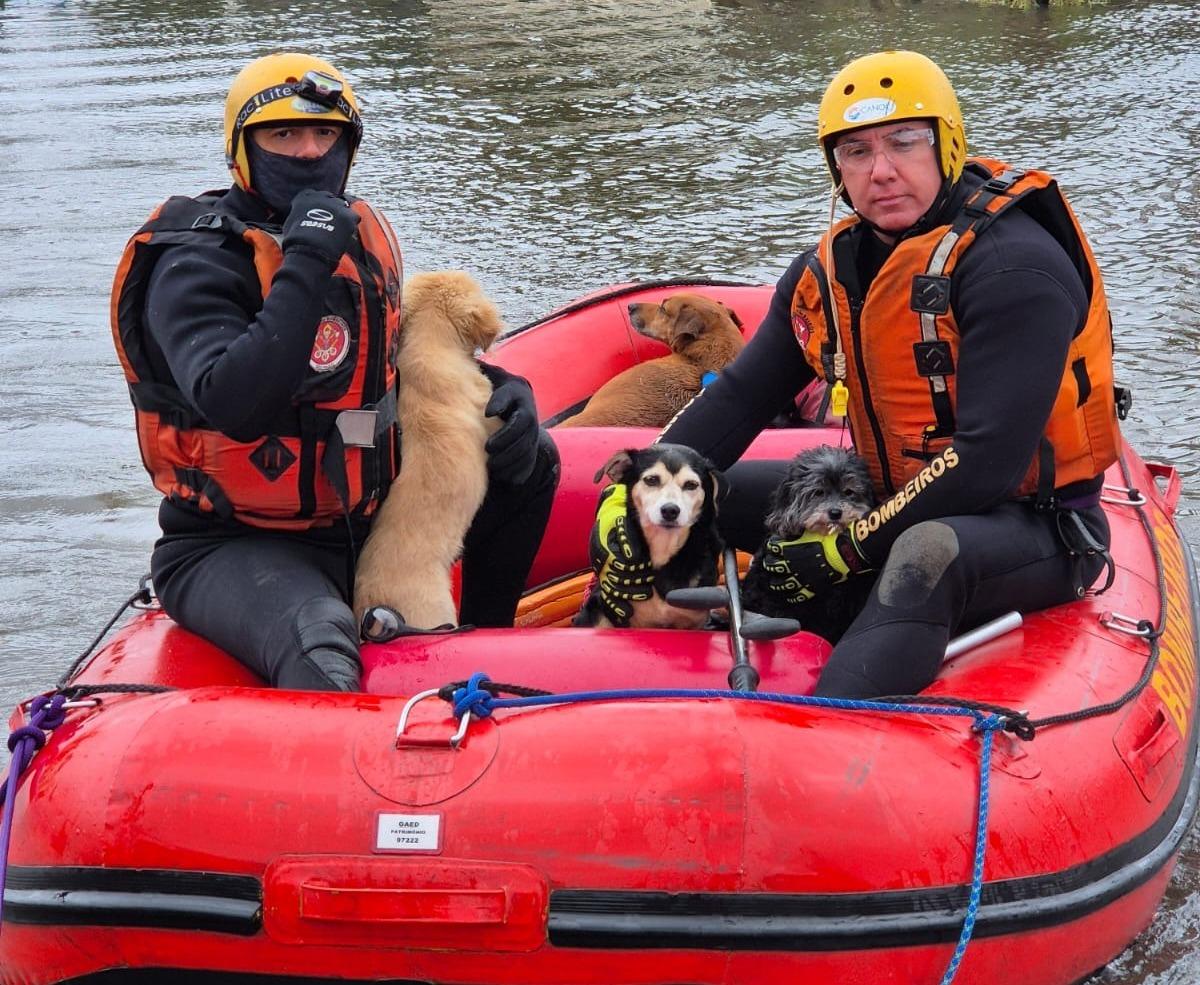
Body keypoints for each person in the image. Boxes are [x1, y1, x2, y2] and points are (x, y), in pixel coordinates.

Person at [588, 50, 1121, 698]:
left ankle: (835, 712)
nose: (882, 170)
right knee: (712, 491)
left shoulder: (1015, 269)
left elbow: (989, 464)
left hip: (1032, 526)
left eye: (904, 143)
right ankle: (647, 644)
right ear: (835, 168)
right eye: (857, 152)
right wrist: (628, 500)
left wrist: (844, 550)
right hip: (886, 494)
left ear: (947, 146)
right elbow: (740, 398)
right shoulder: (830, 271)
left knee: (925, 549)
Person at [111, 53, 558, 691]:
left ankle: (484, 655)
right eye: (282, 135)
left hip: (360, 516)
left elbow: (384, 363)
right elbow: (236, 402)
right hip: (233, 542)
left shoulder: (357, 233)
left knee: (527, 459)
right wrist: (308, 254)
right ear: (241, 147)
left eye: (326, 136)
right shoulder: (194, 264)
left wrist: (505, 389)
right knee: (318, 642)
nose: (307, 152)